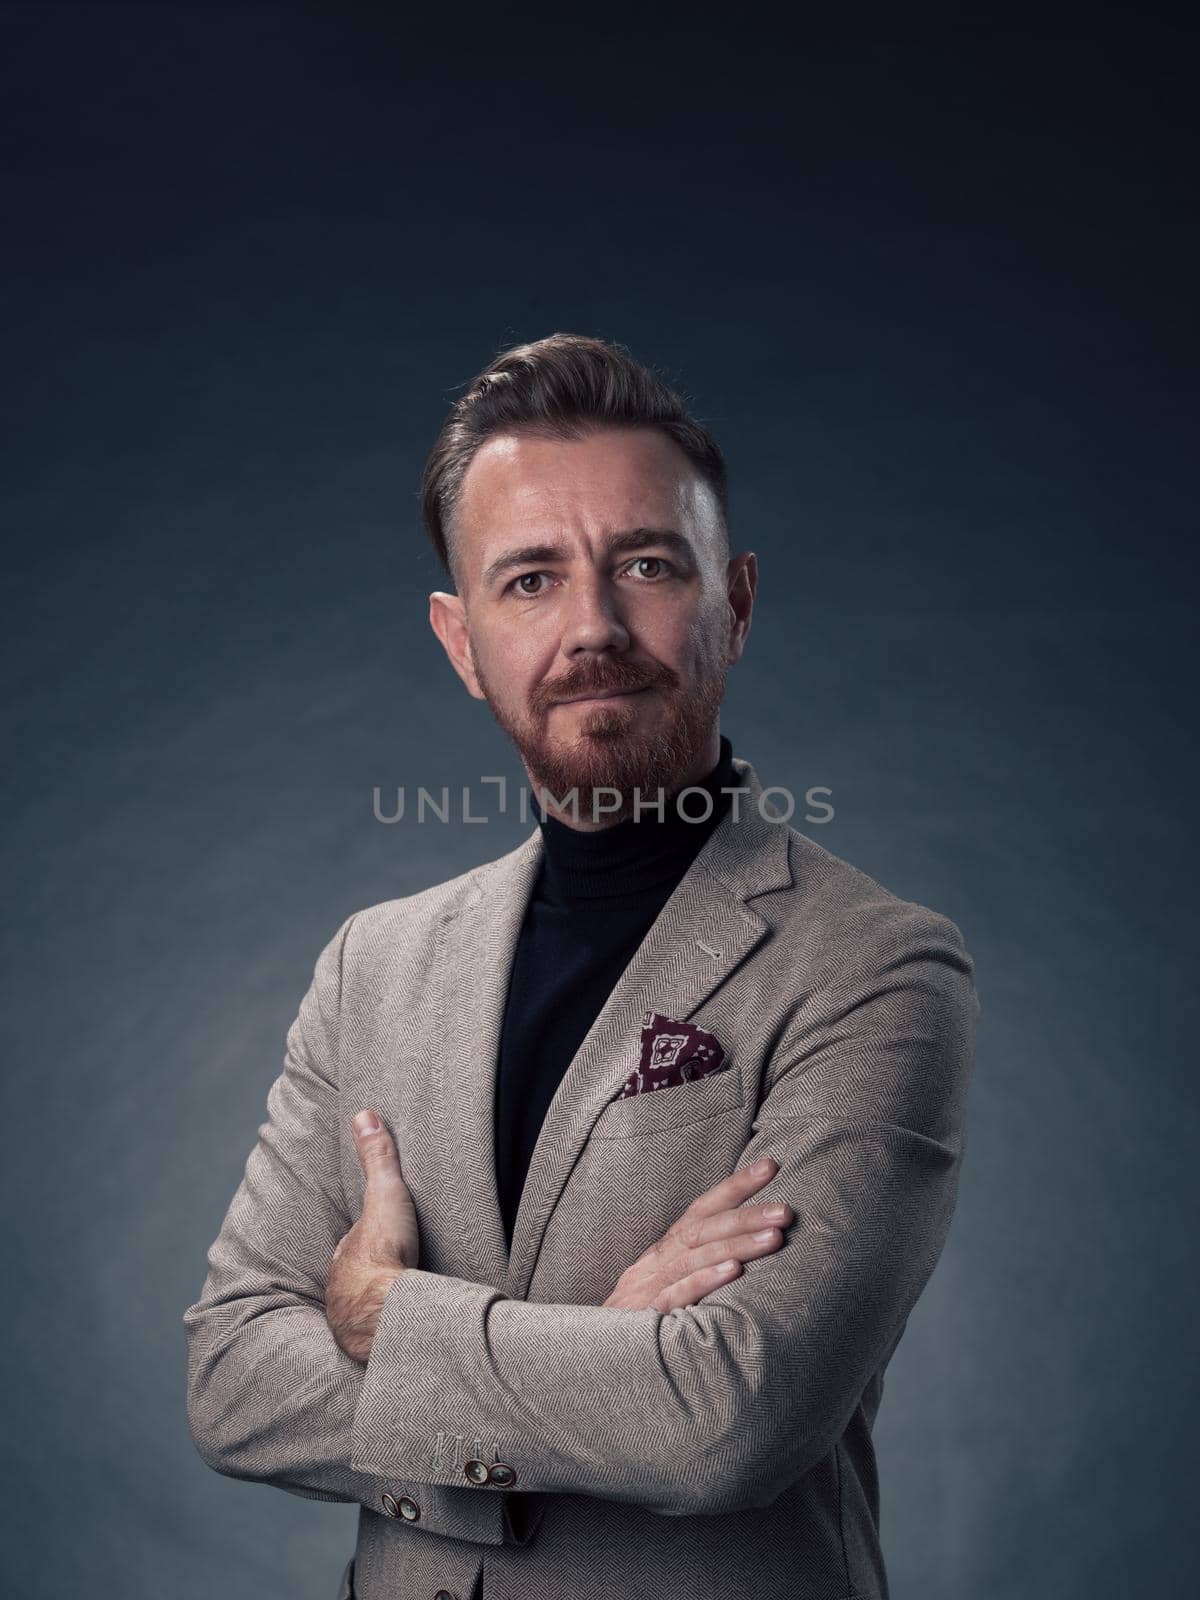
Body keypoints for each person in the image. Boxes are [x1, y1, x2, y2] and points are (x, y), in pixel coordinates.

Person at [183, 332, 980, 1600]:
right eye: (530, 580)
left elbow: (729, 1416)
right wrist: (610, 1353)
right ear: (461, 642)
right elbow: (231, 1377)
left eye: (648, 565)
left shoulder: (877, 968)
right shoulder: (371, 966)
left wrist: (390, 1319)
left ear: (737, 599)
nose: (594, 628)